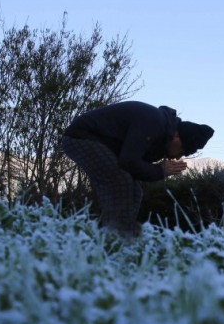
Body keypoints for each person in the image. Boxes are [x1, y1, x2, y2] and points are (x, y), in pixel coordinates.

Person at [61, 100, 214, 238]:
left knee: (134, 190)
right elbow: (128, 162)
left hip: (104, 145)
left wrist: (160, 170)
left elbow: (136, 168)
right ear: (177, 136)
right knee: (121, 182)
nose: (178, 157)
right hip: (80, 137)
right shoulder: (154, 122)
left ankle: (121, 236)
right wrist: (161, 171)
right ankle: (115, 238)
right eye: (182, 151)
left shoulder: (161, 140)